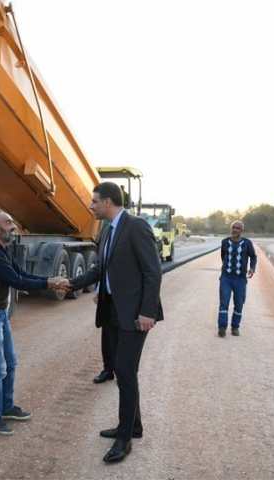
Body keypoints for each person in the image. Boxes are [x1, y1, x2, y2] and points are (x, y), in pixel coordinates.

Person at [61, 181, 163, 463]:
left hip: (134, 314)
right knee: (121, 371)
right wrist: (71, 284)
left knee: (125, 372)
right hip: (114, 311)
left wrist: (147, 312)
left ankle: (124, 439)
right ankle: (134, 426)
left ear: (108, 202)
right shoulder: (107, 230)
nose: (91, 206)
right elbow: (100, 269)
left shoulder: (136, 226)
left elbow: (152, 272)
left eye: (94, 201)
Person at [0, 211, 66, 435]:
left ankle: (6, 407)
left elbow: (21, 273)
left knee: (11, 363)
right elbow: (16, 281)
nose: (13, 226)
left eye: (12, 221)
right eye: (8, 222)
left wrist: (47, 281)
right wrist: (49, 284)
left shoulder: (2, 250)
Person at [217, 220, 257, 337]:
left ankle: (235, 327)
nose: (235, 229)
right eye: (234, 227)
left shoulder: (247, 243)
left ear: (241, 230)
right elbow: (223, 256)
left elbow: (253, 257)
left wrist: (252, 268)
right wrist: (226, 269)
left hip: (240, 279)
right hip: (226, 278)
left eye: (238, 228)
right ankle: (222, 327)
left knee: (239, 303)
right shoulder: (224, 242)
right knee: (224, 302)